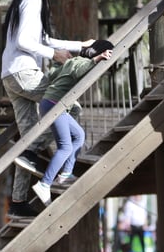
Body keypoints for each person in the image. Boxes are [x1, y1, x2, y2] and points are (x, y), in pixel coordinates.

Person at [0, 0, 94, 218]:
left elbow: (44, 39)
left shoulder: (24, 0)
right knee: (70, 108)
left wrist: (79, 45)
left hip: (10, 75)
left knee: (27, 139)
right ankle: (32, 151)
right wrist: (53, 56)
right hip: (24, 73)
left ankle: (18, 202)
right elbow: (24, 41)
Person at [31, 40, 114, 206]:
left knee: (79, 135)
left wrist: (58, 63)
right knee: (66, 146)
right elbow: (80, 71)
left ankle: (66, 173)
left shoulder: (72, 61)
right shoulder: (82, 63)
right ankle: (44, 183)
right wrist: (96, 59)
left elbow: (53, 74)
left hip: (52, 103)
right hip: (55, 105)